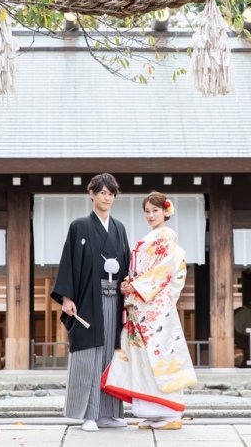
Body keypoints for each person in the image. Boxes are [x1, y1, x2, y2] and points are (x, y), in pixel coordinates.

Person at [102, 191, 197, 430]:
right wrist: (127, 281)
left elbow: (163, 271)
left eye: (155, 210)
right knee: (142, 359)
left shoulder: (166, 239)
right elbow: (139, 270)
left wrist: (134, 285)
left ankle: (171, 413)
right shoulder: (149, 239)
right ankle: (154, 413)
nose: (151, 215)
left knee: (160, 357)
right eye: (147, 211)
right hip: (140, 305)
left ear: (166, 212)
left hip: (154, 308)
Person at [50, 173, 131, 432]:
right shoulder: (80, 226)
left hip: (114, 299)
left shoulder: (119, 228)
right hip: (88, 300)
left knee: (111, 354)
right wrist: (67, 297)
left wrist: (129, 289)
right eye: (102, 193)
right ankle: (87, 414)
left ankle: (107, 412)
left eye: (111, 194)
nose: (107, 198)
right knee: (89, 355)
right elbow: (70, 263)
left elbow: (127, 264)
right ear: (92, 194)